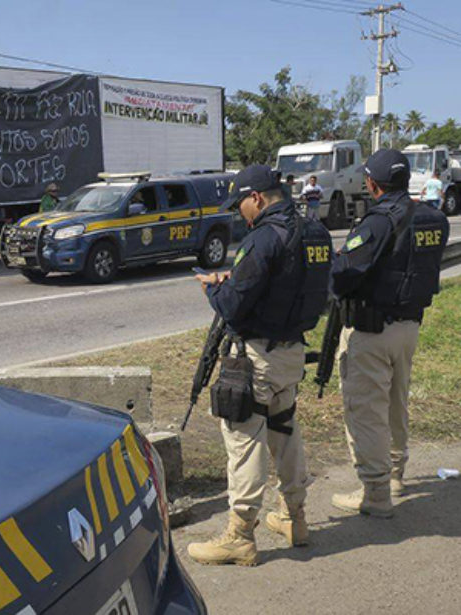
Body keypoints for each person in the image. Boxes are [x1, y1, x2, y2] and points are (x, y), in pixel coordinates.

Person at [187, 164, 332, 566]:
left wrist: (212, 289)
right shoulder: (315, 232)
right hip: (291, 354)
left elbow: (233, 304)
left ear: (257, 197)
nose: (240, 214)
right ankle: (294, 517)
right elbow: (311, 284)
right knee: (285, 432)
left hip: (256, 357)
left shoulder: (264, 237)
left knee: (244, 437)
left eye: (241, 205)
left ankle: (240, 535)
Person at [330, 149, 448, 516]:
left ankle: (376, 493)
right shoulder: (434, 218)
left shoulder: (378, 221)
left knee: (366, 409)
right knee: (397, 403)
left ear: (371, 183)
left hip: (371, 330)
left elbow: (343, 273)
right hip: (409, 326)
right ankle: (395, 474)